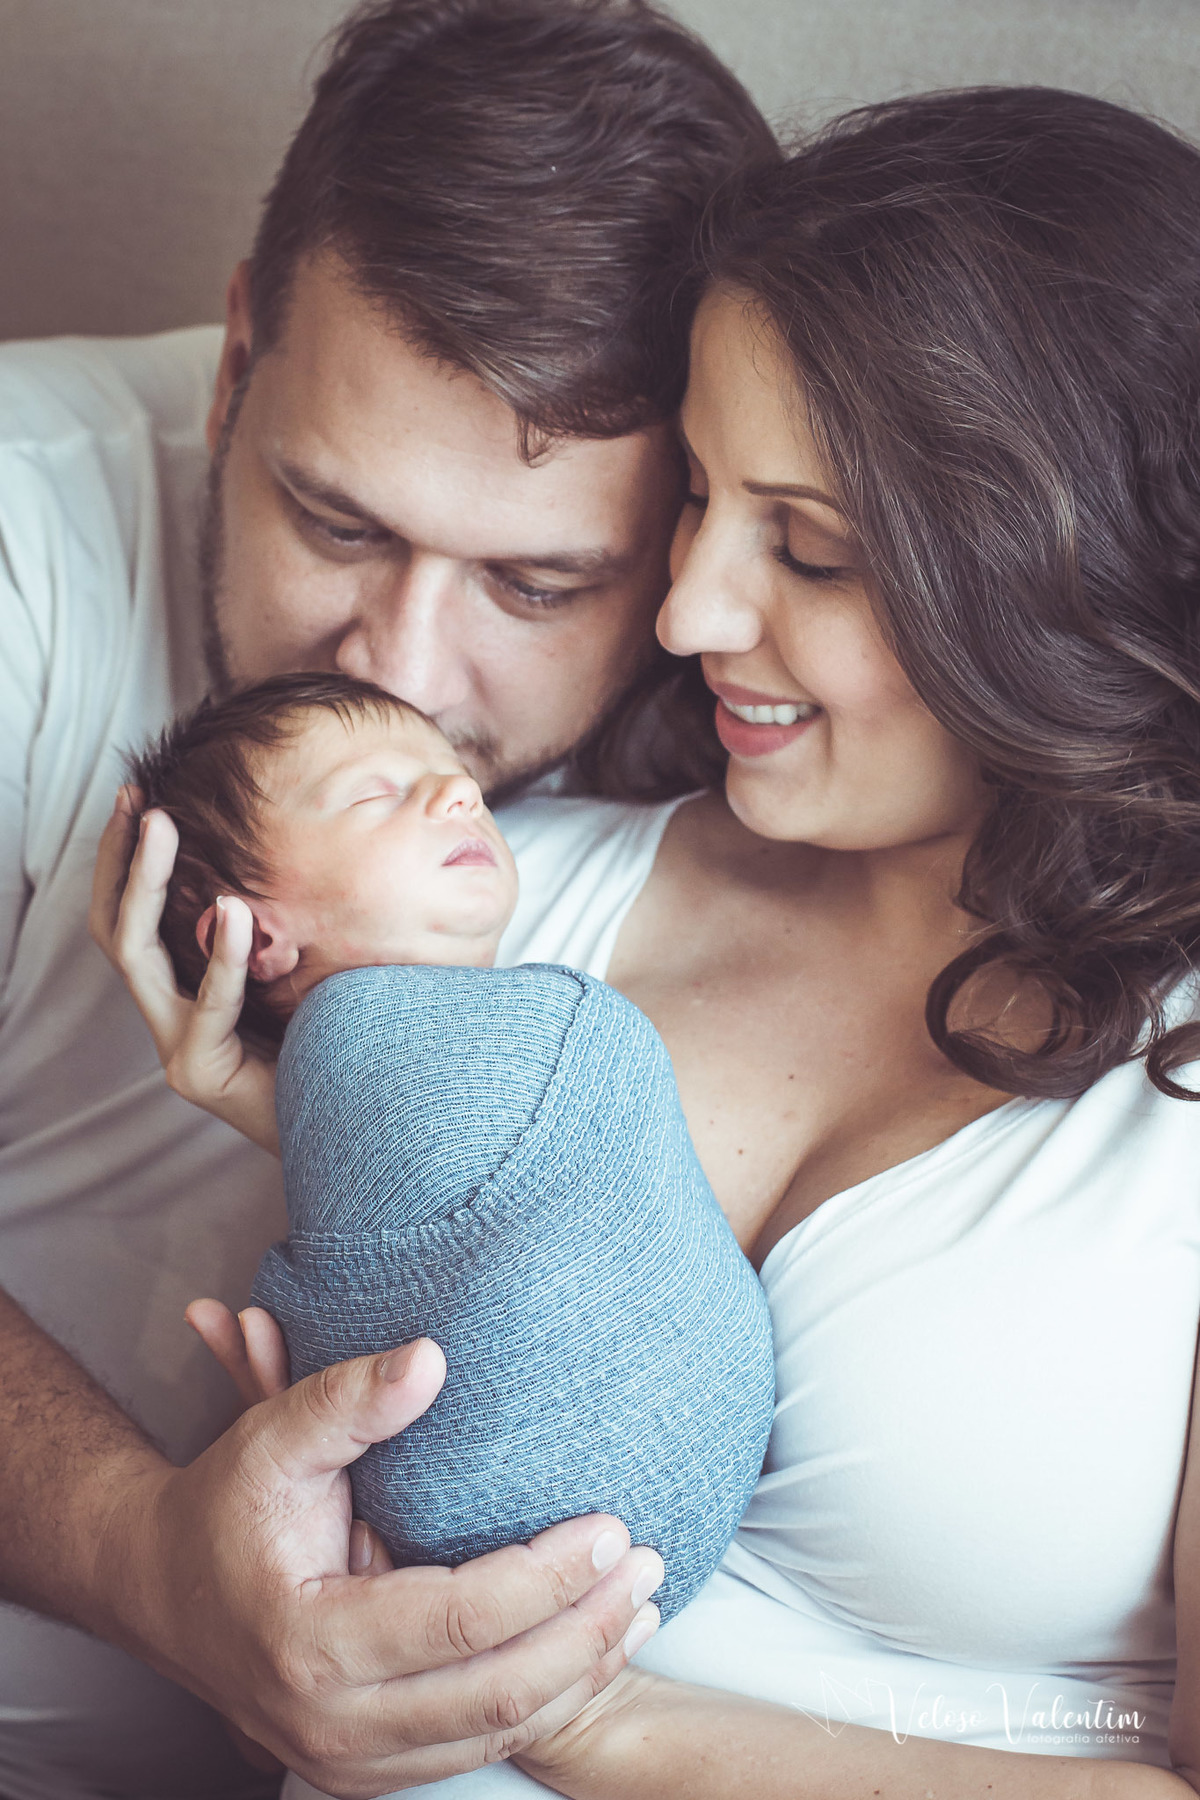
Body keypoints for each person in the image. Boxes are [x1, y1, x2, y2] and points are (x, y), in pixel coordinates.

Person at [155, 84, 1200, 1798]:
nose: (692, 609)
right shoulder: (494, 892)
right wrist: (308, 1101)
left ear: (1060, 587)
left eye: (811, 548)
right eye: (700, 498)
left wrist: (586, 1723)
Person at [0, 0, 774, 1793]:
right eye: (338, 525)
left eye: (535, 583)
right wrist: (148, 1557)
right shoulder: (29, 556)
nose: (406, 671)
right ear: (235, 361)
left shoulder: (763, 715)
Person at [124, 669, 772, 1621]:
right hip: (547, 1511)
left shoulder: (382, 1071)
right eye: (376, 792)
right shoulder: (352, 1031)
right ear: (251, 938)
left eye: (453, 770)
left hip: (562, 1539)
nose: (458, 792)